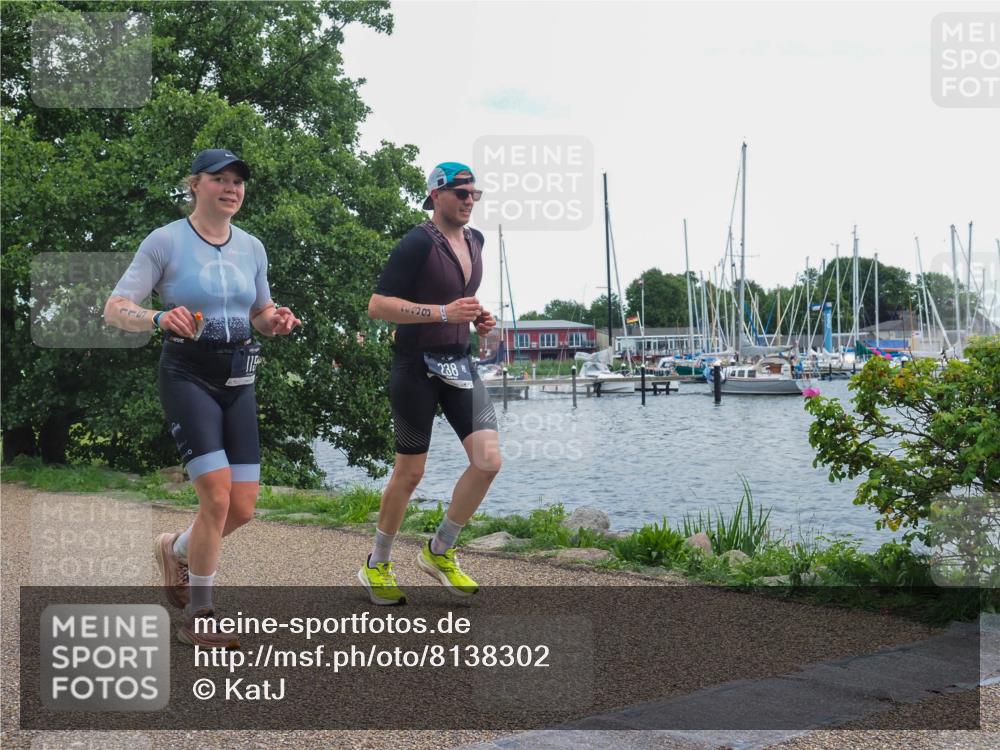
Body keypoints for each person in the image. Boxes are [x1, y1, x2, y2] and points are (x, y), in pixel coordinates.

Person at [105, 148, 301, 646]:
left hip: (240, 379)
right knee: (215, 497)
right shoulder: (165, 241)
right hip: (188, 375)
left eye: (238, 181)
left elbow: (260, 313)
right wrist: (156, 317)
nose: (231, 188)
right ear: (194, 184)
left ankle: (176, 549)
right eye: (220, 179)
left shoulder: (252, 247)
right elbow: (115, 307)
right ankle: (201, 616)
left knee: (242, 508)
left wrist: (276, 320)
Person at [361, 161, 501, 605]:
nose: (469, 200)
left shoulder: (476, 241)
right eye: (461, 192)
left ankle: (439, 550)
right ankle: (377, 563)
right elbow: (378, 306)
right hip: (415, 367)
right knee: (410, 473)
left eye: (474, 194)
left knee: (488, 461)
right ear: (436, 195)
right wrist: (443, 313)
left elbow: (458, 298)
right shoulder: (417, 242)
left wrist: (478, 318)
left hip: (459, 364)